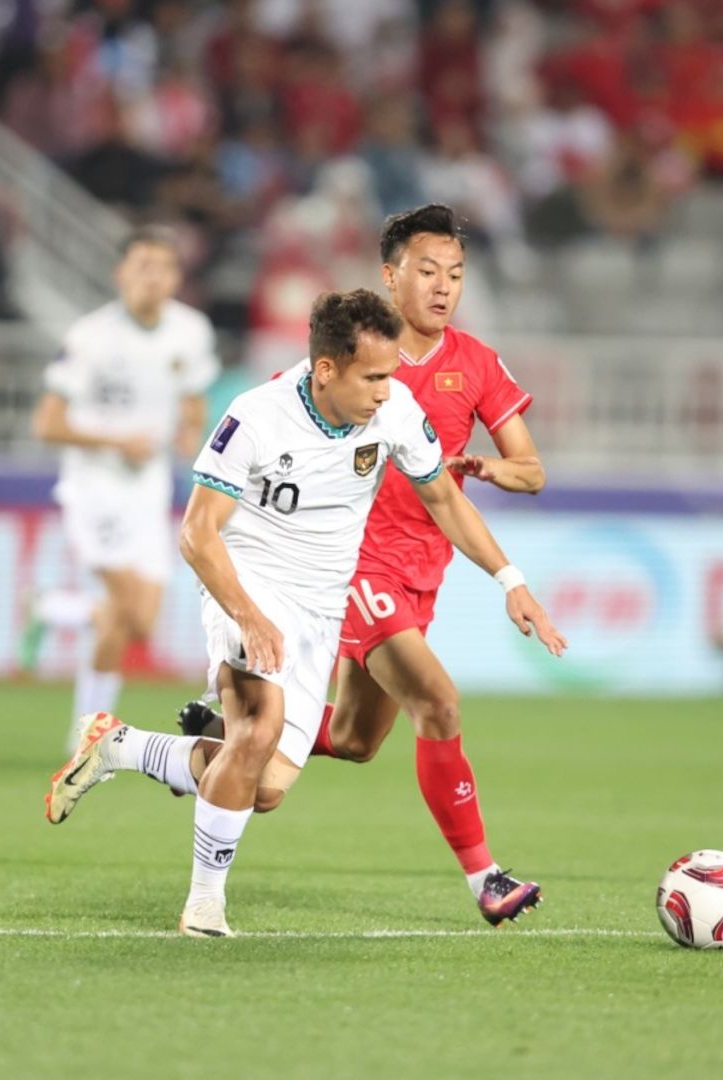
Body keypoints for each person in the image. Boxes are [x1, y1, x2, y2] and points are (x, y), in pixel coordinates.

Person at [44, 288, 565, 938]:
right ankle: (205, 905)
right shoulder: (256, 417)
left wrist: (510, 579)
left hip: (321, 607)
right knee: (258, 730)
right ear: (326, 370)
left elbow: (445, 501)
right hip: (245, 581)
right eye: (372, 376)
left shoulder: (395, 412)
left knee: (260, 788)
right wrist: (248, 614)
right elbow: (197, 533)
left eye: (390, 375)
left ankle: (123, 747)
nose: (386, 390)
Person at [178, 204, 559, 926]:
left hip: (420, 574)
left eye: (455, 274)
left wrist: (511, 569)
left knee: (353, 742)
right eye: (426, 271)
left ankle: (194, 742)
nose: (443, 287)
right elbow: (269, 452)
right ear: (391, 277)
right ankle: (486, 878)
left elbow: (517, 474)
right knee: (439, 703)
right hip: (351, 571)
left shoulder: (468, 367)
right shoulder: (335, 365)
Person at [28, 227, 217, 750]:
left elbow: (194, 398)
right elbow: (46, 424)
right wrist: (116, 441)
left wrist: (186, 433)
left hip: (147, 490)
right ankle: (88, 733)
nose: (152, 277)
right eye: (142, 265)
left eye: (163, 266)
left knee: (138, 622)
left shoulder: (191, 331)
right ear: (121, 274)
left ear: (177, 277)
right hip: (95, 488)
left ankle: (53, 613)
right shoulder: (90, 337)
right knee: (128, 608)